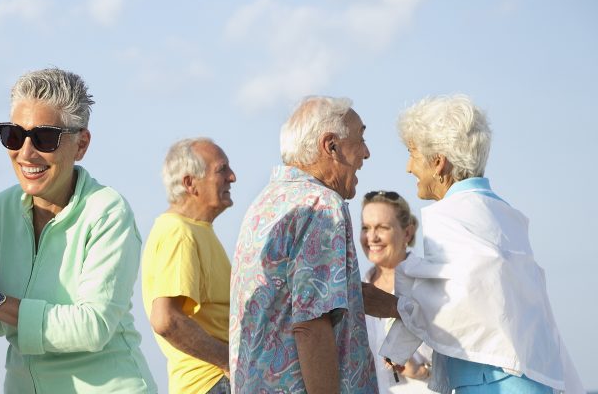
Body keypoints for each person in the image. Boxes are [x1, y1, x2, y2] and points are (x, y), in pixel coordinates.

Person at [0, 68, 157, 393]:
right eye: (13, 136)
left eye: (44, 138)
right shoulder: (0, 208)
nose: (26, 153)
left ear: (81, 144)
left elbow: (93, 327)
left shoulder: (108, 211)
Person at [363, 94, 584, 393]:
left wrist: (392, 306)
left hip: (493, 383)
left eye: (412, 153)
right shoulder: (503, 213)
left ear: (438, 163)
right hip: (530, 378)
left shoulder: (452, 214)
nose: (408, 167)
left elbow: (460, 303)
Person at [229, 95, 377, 393]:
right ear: (331, 146)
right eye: (360, 139)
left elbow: (332, 292)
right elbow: (311, 323)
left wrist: (405, 308)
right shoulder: (321, 205)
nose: (367, 153)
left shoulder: (266, 203)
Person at [141, 138, 236, 394]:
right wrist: (228, 361)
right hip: (210, 383)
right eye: (222, 170)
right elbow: (165, 319)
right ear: (189, 183)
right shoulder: (178, 233)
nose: (232, 177)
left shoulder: (195, 230)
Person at [359, 190, 435, 393]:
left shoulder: (429, 281)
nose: (371, 237)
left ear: (407, 233)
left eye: (382, 227)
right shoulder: (355, 289)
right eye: (365, 228)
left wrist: (422, 371)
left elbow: (461, 348)